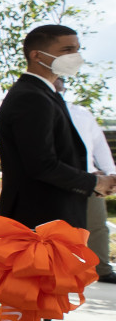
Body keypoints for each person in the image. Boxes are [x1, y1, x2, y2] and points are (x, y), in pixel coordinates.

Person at [0, 24, 113, 321]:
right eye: (67, 49)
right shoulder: (32, 98)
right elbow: (41, 164)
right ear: (37, 54)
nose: (75, 55)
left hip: (48, 218)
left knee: (36, 308)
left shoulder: (46, 95)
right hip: (38, 222)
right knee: (33, 307)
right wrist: (93, 183)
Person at [65, 97, 116, 285]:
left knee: (97, 226)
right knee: (58, 229)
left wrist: (112, 175)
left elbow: (100, 146)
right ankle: (61, 271)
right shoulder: (42, 108)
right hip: (58, 179)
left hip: (90, 179)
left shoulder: (82, 113)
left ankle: (102, 270)